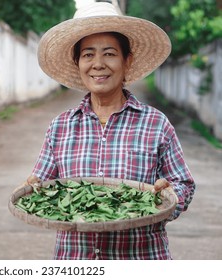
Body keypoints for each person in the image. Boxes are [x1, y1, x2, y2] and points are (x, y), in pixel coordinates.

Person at [24, 2, 196, 260]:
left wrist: (168, 195)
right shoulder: (60, 127)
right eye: (88, 54)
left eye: (109, 53)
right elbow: (41, 185)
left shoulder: (155, 124)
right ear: (78, 63)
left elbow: (183, 184)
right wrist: (33, 186)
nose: (98, 64)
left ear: (127, 61)